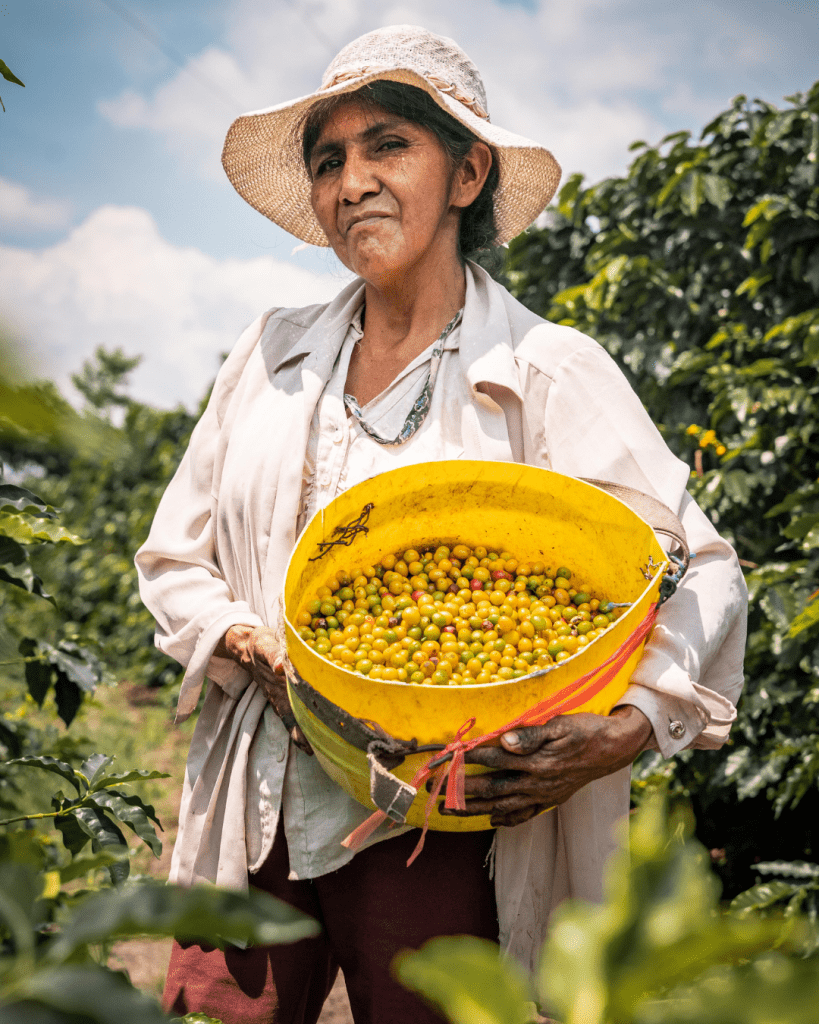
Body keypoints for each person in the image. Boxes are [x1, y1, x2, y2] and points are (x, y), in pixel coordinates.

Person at [136, 24, 747, 1024]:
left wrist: (629, 724)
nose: (352, 182)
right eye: (329, 160)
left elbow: (704, 565)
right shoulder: (271, 354)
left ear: (466, 173)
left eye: (388, 146)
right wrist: (263, 647)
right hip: (261, 808)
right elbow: (174, 559)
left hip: (442, 815)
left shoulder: (549, 371)